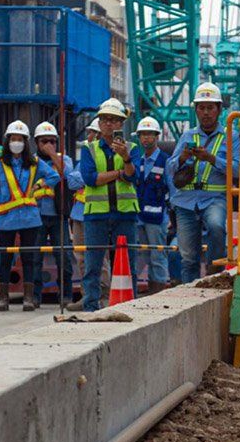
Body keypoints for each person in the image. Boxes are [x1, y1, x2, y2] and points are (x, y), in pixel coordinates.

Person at [0, 120, 60, 312]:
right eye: (13, 139)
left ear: (26, 141)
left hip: (30, 218)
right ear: (8, 141)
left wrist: (38, 185)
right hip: (6, 219)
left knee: (28, 258)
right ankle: (3, 298)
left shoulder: (34, 163)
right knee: (6, 258)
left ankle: (28, 298)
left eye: (20, 139)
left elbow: (54, 177)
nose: (16, 142)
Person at [168, 82, 238, 283]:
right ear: (196, 110)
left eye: (210, 108)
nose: (206, 112)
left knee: (216, 226)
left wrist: (211, 158)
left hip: (215, 199)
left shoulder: (230, 137)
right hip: (185, 201)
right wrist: (182, 158)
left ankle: (213, 273)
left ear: (219, 110)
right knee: (188, 255)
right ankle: (189, 290)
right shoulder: (187, 136)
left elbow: (239, 169)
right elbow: (170, 168)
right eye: (201, 107)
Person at [77, 97, 140, 312]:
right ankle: (91, 306)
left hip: (125, 215)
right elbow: (90, 178)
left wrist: (126, 159)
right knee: (93, 264)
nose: (109, 124)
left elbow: (133, 177)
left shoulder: (131, 148)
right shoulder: (89, 148)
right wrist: (119, 173)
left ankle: (128, 305)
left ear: (121, 124)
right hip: (97, 215)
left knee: (126, 263)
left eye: (114, 120)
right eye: (105, 120)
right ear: (99, 122)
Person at [31, 121, 83, 308]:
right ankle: (34, 296)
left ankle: (66, 295)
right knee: (34, 257)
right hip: (35, 215)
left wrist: (54, 156)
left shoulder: (64, 160)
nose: (49, 145)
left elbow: (69, 177)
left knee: (64, 257)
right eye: (45, 141)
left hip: (58, 215)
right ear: (37, 143)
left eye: (53, 141)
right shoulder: (31, 161)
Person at [67, 118, 110, 310]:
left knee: (100, 258)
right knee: (82, 258)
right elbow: (72, 181)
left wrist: (91, 177)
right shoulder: (86, 156)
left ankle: (103, 295)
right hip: (79, 214)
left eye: (93, 133)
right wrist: (90, 178)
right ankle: (87, 296)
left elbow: (94, 178)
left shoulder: (106, 156)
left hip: (98, 213)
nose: (89, 136)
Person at [133, 115, 170, 293]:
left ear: (157, 137)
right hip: (140, 217)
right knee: (146, 255)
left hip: (157, 218)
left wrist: (171, 217)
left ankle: (159, 291)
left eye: (150, 134)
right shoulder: (137, 162)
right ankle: (151, 288)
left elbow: (173, 190)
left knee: (157, 256)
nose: (146, 138)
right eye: (143, 134)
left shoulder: (166, 161)